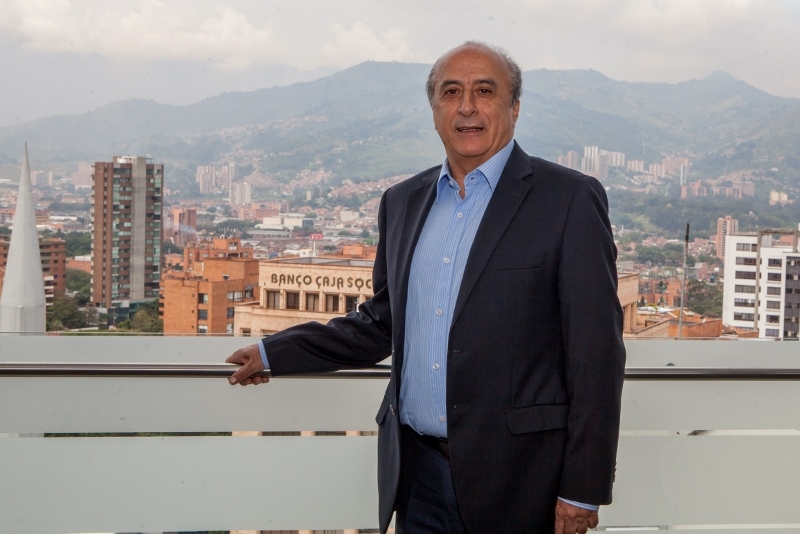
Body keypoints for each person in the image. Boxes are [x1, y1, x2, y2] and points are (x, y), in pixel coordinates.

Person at [227, 41, 626, 534]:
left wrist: (582, 485)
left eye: (485, 91)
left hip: (522, 480)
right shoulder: (402, 202)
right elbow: (382, 323)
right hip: (418, 477)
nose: (467, 107)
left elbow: (595, 354)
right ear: (434, 109)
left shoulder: (567, 198)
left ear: (515, 107)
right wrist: (274, 352)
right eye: (450, 92)